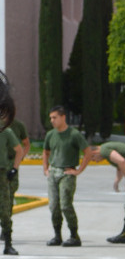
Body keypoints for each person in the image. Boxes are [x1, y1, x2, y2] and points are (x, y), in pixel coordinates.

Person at [42, 105, 92, 247]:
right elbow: (46, 152)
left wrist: (78, 170)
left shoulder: (74, 134)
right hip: (53, 173)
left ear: (63, 117)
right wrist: (46, 168)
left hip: (67, 173)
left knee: (65, 205)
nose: (52, 120)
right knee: (53, 206)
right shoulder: (50, 135)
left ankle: (74, 235)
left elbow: (88, 152)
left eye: (55, 117)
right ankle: (57, 235)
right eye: (50, 118)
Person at [0, 118, 24, 255]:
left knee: (4, 210)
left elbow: (19, 150)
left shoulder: (6, 132)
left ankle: (8, 244)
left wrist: (14, 169)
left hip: (2, 174)